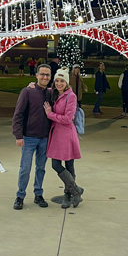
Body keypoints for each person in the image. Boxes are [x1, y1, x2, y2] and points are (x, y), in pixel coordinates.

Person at [12, 64, 52, 210]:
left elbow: (66, 90)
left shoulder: (50, 93)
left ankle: (38, 194)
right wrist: (18, 135)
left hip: (45, 138)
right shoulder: (27, 92)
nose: (45, 77)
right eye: (42, 74)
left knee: (41, 168)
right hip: (28, 137)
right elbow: (18, 115)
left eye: (47, 75)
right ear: (36, 75)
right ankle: (20, 195)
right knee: (25, 168)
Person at [43, 68, 84, 209]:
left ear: (67, 82)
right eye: (57, 81)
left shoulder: (71, 96)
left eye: (62, 81)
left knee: (69, 165)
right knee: (55, 164)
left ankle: (69, 194)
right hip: (56, 134)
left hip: (66, 134)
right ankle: (76, 190)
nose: (59, 83)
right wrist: (32, 85)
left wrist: (50, 114)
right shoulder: (54, 93)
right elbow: (41, 88)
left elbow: (67, 119)